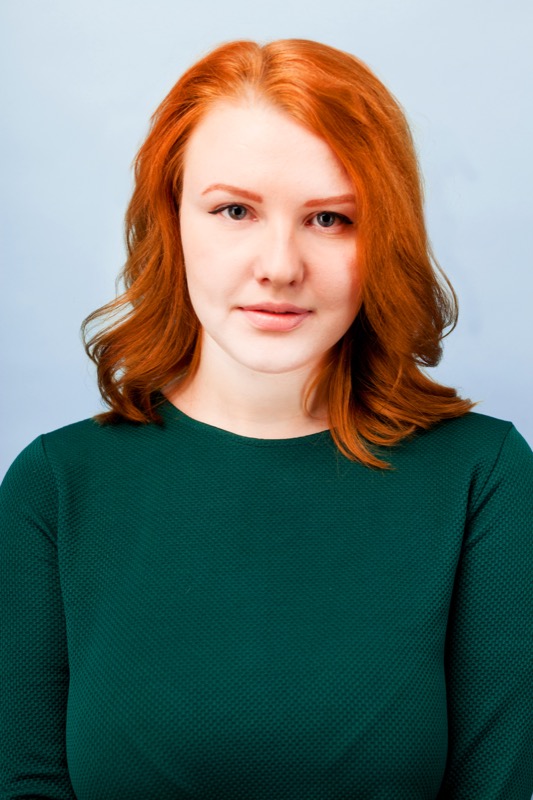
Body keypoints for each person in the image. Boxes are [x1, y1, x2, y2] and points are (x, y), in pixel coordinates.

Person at [1, 38, 531, 800]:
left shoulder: (485, 480)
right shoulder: (53, 490)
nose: (280, 265)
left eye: (329, 218)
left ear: (382, 236)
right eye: (234, 210)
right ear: (172, 221)